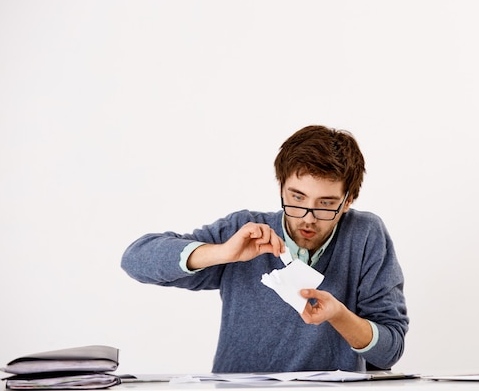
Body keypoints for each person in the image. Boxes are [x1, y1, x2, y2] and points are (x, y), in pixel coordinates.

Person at [121, 125, 408, 373]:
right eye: (297, 197)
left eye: (326, 204)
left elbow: (389, 350)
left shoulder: (365, 235)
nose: (308, 217)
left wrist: (339, 316)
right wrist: (222, 253)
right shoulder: (246, 229)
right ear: (281, 188)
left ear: (347, 201)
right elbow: (135, 259)